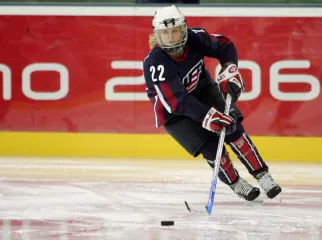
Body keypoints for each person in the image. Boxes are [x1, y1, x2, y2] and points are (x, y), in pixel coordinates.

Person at [143, 5, 282, 201]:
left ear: (183, 28)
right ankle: (236, 183)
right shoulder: (155, 63)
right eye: (165, 33)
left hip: (203, 90)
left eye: (175, 30)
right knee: (210, 147)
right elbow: (176, 101)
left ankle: (263, 175)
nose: (172, 37)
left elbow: (224, 45)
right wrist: (207, 116)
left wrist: (229, 67)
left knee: (233, 128)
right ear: (157, 34)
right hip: (175, 113)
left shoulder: (196, 38)